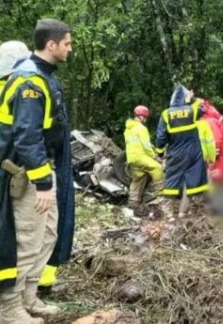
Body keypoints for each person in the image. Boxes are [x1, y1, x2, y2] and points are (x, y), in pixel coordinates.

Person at [0, 19, 75, 324]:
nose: (70, 49)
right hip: (29, 176)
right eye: (67, 43)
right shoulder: (29, 81)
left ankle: (29, 297)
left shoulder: (44, 76)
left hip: (45, 172)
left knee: (46, 235)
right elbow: (27, 137)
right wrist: (43, 182)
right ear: (51, 44)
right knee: (27, 240)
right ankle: (9, 307)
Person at [155, 85, 209, 220]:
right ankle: (183, 212)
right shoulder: (192, 109)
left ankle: (169, 214)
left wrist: (160, 153)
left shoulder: (166, 114)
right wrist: (193, 98)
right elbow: (204, 108)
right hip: (194, 153)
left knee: (171, 181)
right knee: (191, 180)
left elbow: (161, 137)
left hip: (176, 152)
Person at [124, 105, 164, 207]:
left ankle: (132, 203)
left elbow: (139, 143)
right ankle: (161, 196)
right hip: (140, 156)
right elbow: (146, 146)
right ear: (141, 116)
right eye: (145, 117)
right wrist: (154, 156)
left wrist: (151, 148)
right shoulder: (141, 128)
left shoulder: (128, 129)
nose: (145, 119)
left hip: (131, 159)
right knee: (157, 168)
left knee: (138, 179)